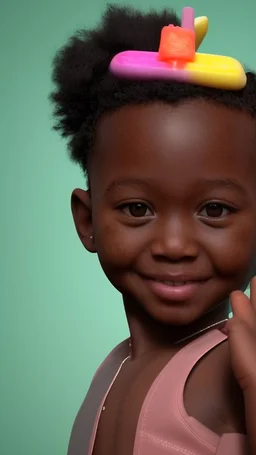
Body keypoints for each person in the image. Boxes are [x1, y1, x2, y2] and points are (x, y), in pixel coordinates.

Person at [50, 4, 256, 455]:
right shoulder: (111, 369)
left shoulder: (237, 375)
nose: (174, 245)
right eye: (138, 208)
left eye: (215, 210)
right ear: (87, 223)